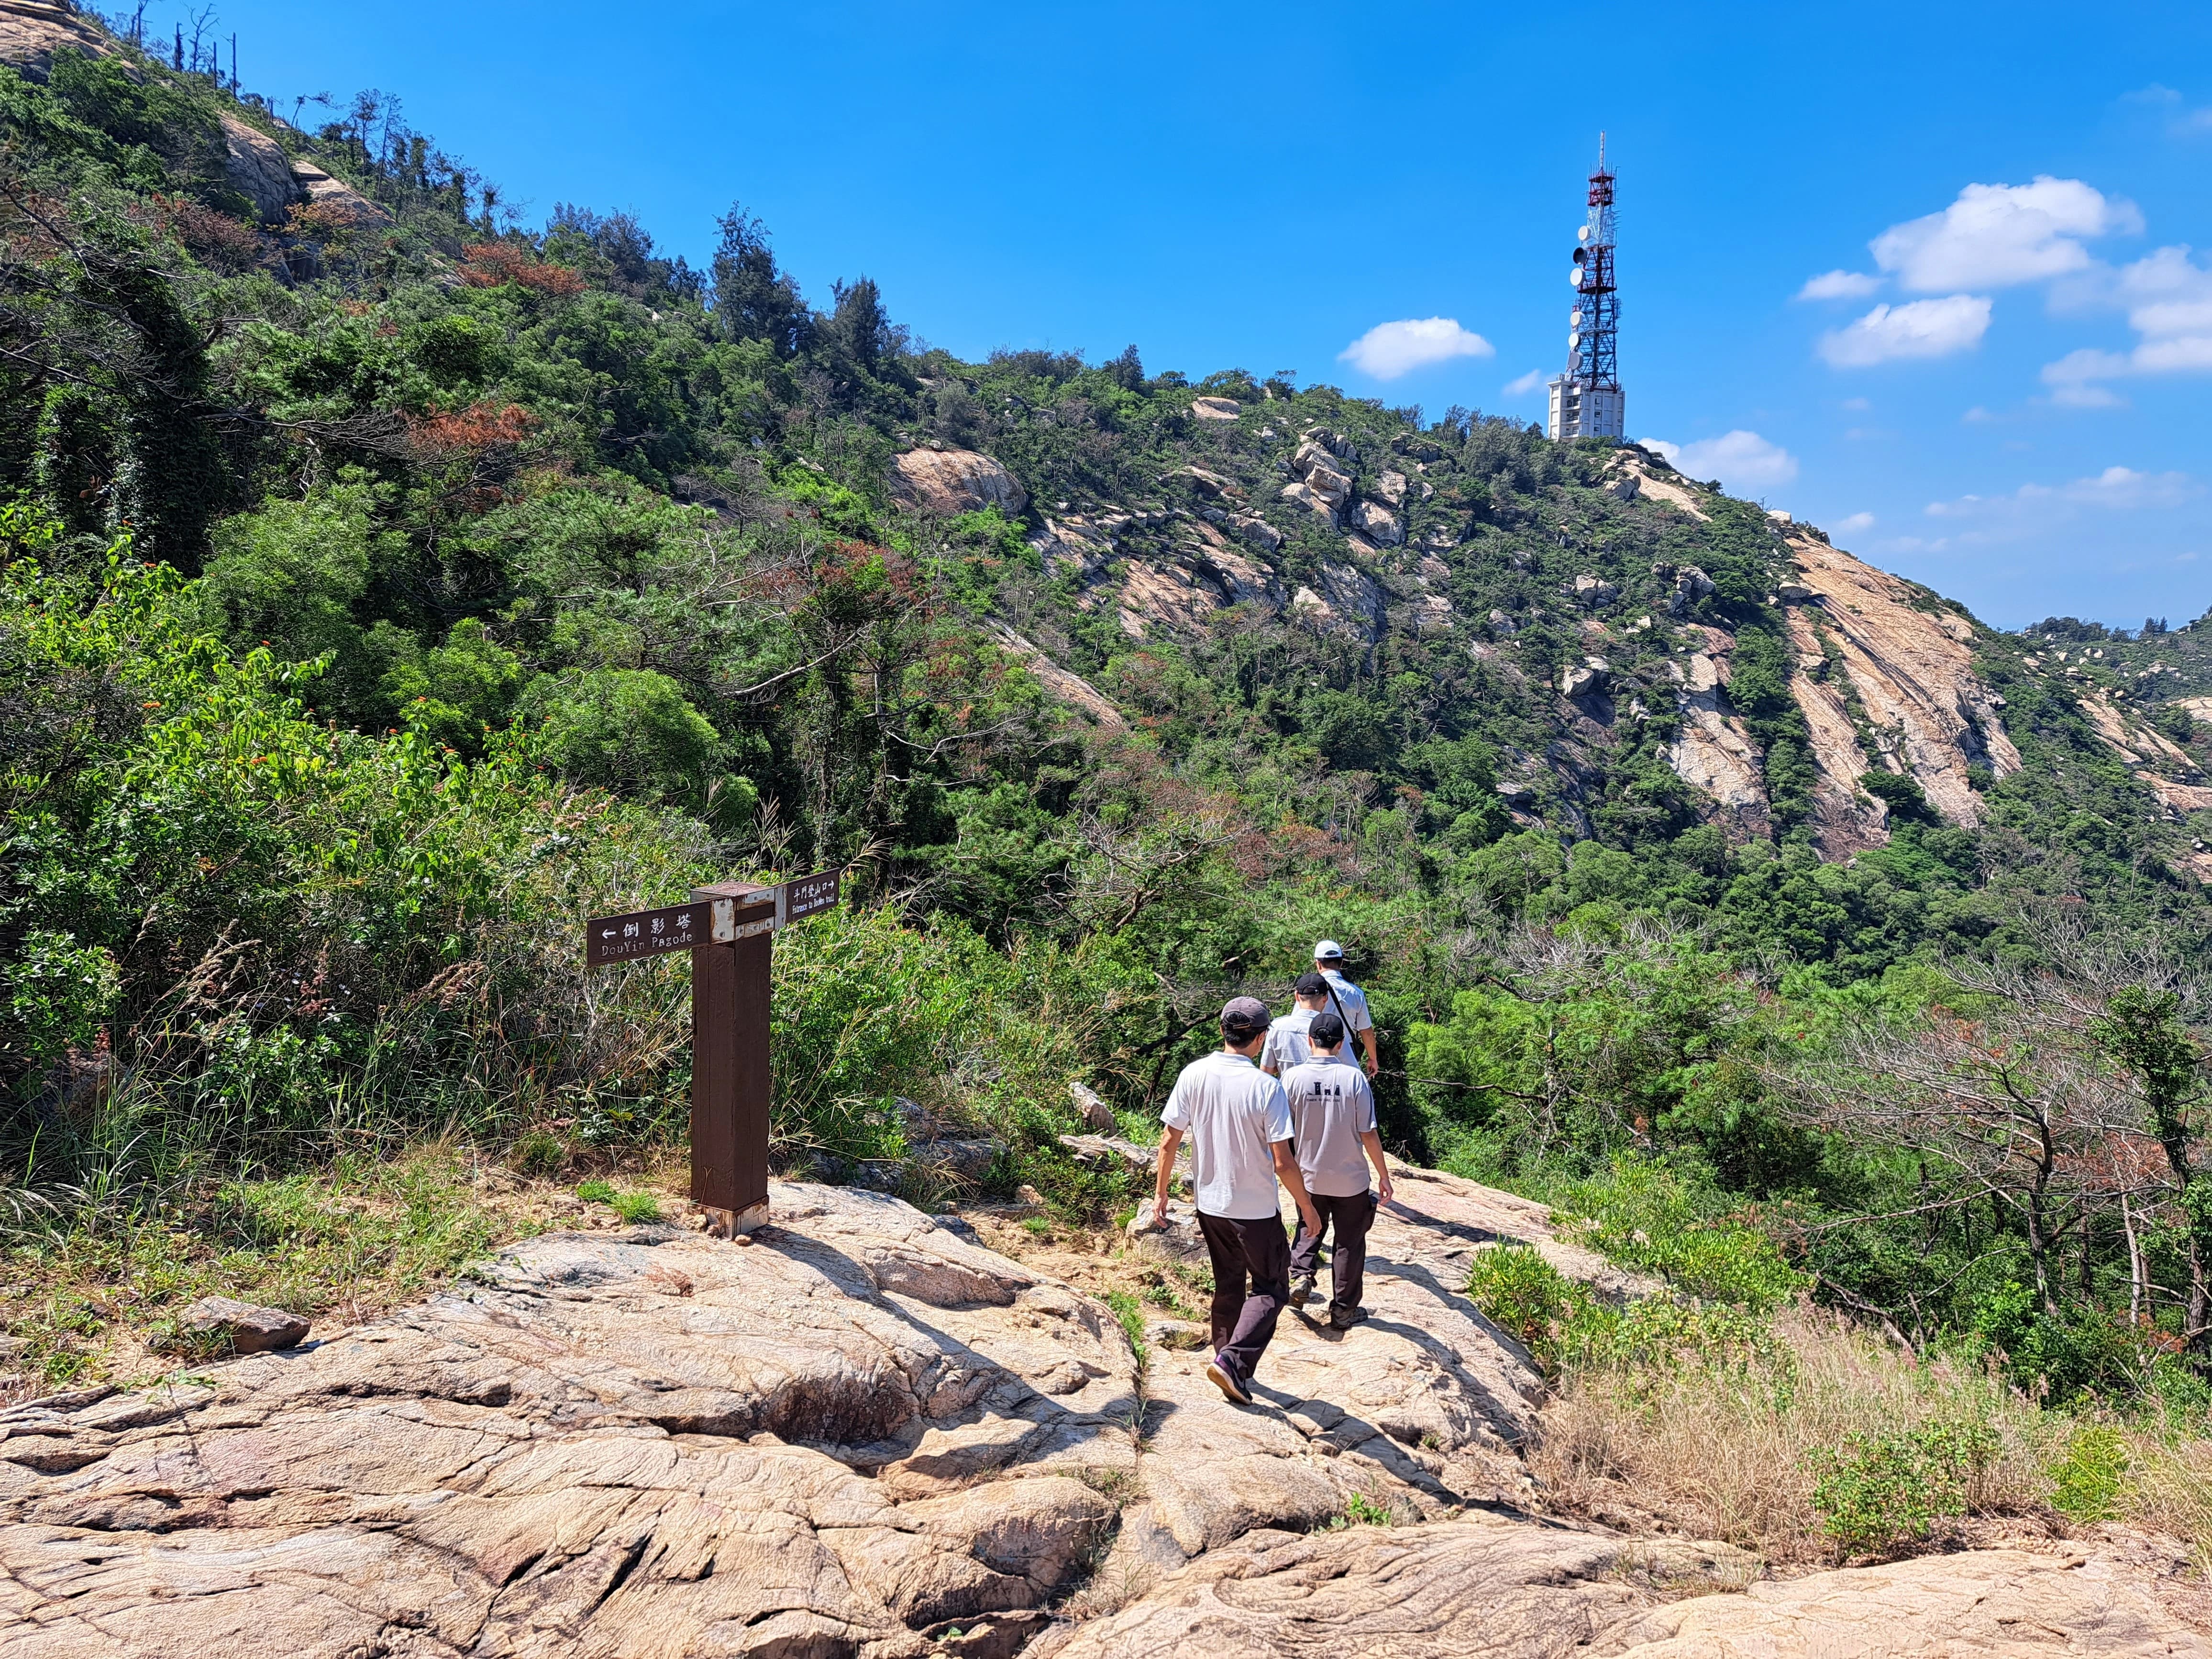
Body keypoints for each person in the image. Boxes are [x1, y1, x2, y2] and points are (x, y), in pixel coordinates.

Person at [1145, 995, 1323, 1406]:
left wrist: (1161, 1194)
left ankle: (1222, 1357)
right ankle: (1234, 1364)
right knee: (1272, 1287)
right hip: (1255, 1208)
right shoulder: (1267, 1088)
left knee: (1228, 1283)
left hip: (1209, 1202)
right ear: (1261, 1039)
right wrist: (1308, 1210)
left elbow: (1169, 1140)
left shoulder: (1194, 1074)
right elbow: (1283, 1162)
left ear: (1222, 1029)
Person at [1282, 1012, 1393, 1328]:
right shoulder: (1354, 1078)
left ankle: (1300, 1275)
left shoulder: (1292, 1079)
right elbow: (1368, 1132)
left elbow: (1282, 1133)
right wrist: (1384, 1176)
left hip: (1308, 1176)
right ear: (1341, 1044)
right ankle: (1343, 1310)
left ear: (1309, 1041)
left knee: (1309, 1224)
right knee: (1349, 1242)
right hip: (1350, 1180)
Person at [1312, 940, 1378, 1079]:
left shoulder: (1310, 992)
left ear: (1318, 963)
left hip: (1317, 1049)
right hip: (1347, 1050)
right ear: (1341, 963)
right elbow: (1366, 1031)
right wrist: (1373, 1058)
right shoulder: (1356, 993)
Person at [1260, 972, 1331, 1077]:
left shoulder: (1277, 1027)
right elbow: (1350, 1067)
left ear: (1297, 996)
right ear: (1325, 998)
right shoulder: (1331, 1028)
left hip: (1285, 1092)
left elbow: (1266, 1072)